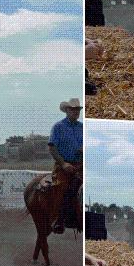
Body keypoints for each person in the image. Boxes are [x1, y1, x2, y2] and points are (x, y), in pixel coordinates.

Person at [49, 98, 83, 234]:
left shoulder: (82, 127)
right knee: (63, 188)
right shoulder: (58, 127)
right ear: (67, 111)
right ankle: (60, 220)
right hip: (63, 165)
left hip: (80, 165)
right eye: (72, 109)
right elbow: (52, 148)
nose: (75, 112)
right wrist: (63, 164)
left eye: (77, 110)